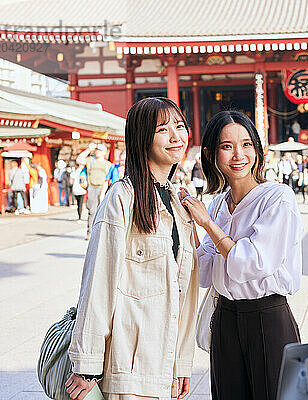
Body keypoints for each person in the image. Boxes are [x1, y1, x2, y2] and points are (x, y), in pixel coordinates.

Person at [66, 97, 198, 400]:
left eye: (180, 126)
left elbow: (185, 292)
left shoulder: (179, 203)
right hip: (129, 362)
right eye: (163, 129)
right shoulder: (122, 198)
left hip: (165, 364)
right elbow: (99, 279)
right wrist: (87, 363)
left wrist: (183, 361)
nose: (176, 137)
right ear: (142, 139)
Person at [179, 110, 302, 400]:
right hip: (225, 319)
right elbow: (205, 271)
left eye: (247, 144)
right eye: (227, 146)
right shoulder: (218, 204)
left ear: (258, 150)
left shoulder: (277, 197)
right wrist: (190, 225)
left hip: (268, 318)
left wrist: (208, 225)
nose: (238, 155)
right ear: (210, 155)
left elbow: (252, 262)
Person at [77, 143, 113, 240]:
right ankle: (90, 232)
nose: (97, 151)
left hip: (103, 188)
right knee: (92, 211)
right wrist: (88, 149)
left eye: (100, 150)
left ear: (104, 152)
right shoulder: (90, 161)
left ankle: (101, 233)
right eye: (97, 150)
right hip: (92, 187)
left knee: (103, 212)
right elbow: (79, 160)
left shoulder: (108, 164)